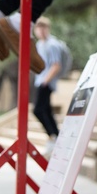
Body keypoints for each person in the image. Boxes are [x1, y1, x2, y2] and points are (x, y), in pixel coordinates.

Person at [32, 17, 65, 155]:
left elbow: (56, 65)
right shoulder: (40, 44)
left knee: (38, 110)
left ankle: (53, 136)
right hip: (40, 80)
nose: (41, 30)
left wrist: (46, 81)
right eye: (38, 27)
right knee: (46, 110)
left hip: (46, 82)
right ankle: (55, 136)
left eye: (43, 27)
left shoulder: (52, 44)